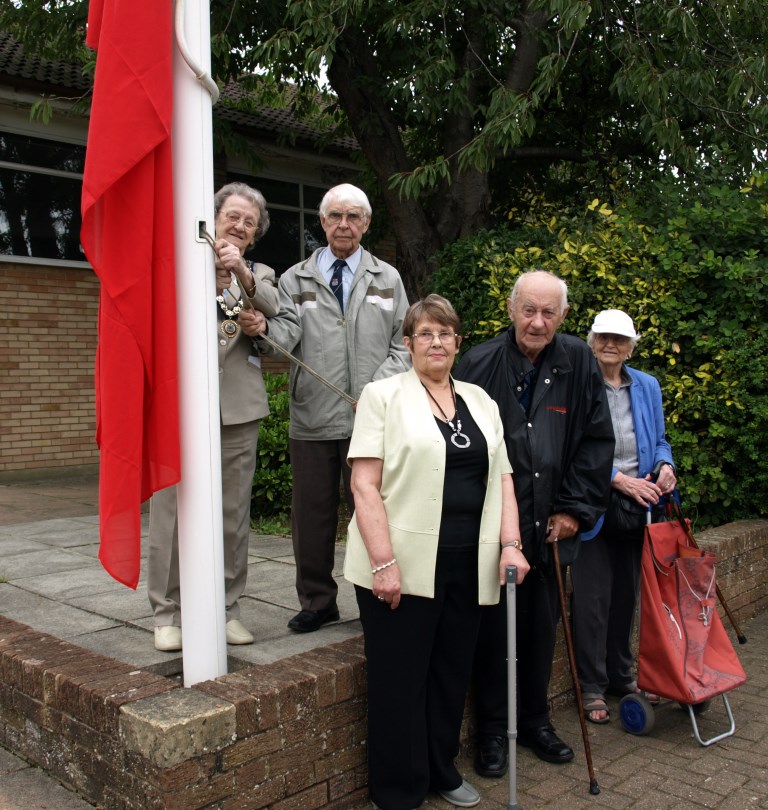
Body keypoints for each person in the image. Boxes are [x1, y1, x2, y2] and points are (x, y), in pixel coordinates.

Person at [344, 294, 529, 810]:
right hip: (399, 564)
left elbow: (505, 480)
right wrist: (383, 563)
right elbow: (364, 485)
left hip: (469, 563)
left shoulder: (480, 400)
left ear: (458, 342)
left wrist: (511, 545)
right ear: (407, 343)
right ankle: (398, 790)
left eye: (445, 333)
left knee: (451, 672)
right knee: (399, 679)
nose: (436, 342)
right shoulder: (382, 396)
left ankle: (441, 769)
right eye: (424, 333)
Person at [454, 270, 615, 772]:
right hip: (493, 528)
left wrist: (572, 510)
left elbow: (595, 442)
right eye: (529, 310)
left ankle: (537, 721)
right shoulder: (478, 362)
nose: (538, 322)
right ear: (511, 309)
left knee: (541, 630)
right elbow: (463, 449)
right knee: (492, 633)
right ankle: (493, 732)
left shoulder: (580, 361)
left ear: (564, 316)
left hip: (551, 526)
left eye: (549, 312)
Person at [261, 183, 410, 634]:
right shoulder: (294, 279)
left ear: (366, 224)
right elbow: (282, 344)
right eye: (335, 216)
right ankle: (318, 601)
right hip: (313, 416)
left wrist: (376, 390)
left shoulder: (389, 278)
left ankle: (374, 595)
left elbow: (403, 343)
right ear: (322, 223)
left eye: (353, 216)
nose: (343, 224)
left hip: (373, 418)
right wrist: (260, 326)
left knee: (373, 512)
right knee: (312, 516)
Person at [148, 182, 279, 651]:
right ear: (215, 215)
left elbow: (274, 308)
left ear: (255, 233)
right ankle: (167, 614)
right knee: (170, 510)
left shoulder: (258, 272)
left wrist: (240, 271)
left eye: (249, 222)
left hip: (239, 409)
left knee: (232, 515)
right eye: (233, 216)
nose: (240, 225)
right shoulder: (183, 259)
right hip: (179, 405)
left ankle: (227, 608)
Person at [570, 309, 676, 723]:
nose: (610, 345)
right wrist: (617, 479)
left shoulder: (647, 385)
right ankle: (591, 686)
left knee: (627, 597)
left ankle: (619, 674)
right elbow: (572, 446)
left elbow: (661, 439)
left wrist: (665, 465)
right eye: (603, 337)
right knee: (593, 599)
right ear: (591, 340)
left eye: (619, 339)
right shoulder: (579, 384)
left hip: (639, 506)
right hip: (593, 503)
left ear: (631, 346)